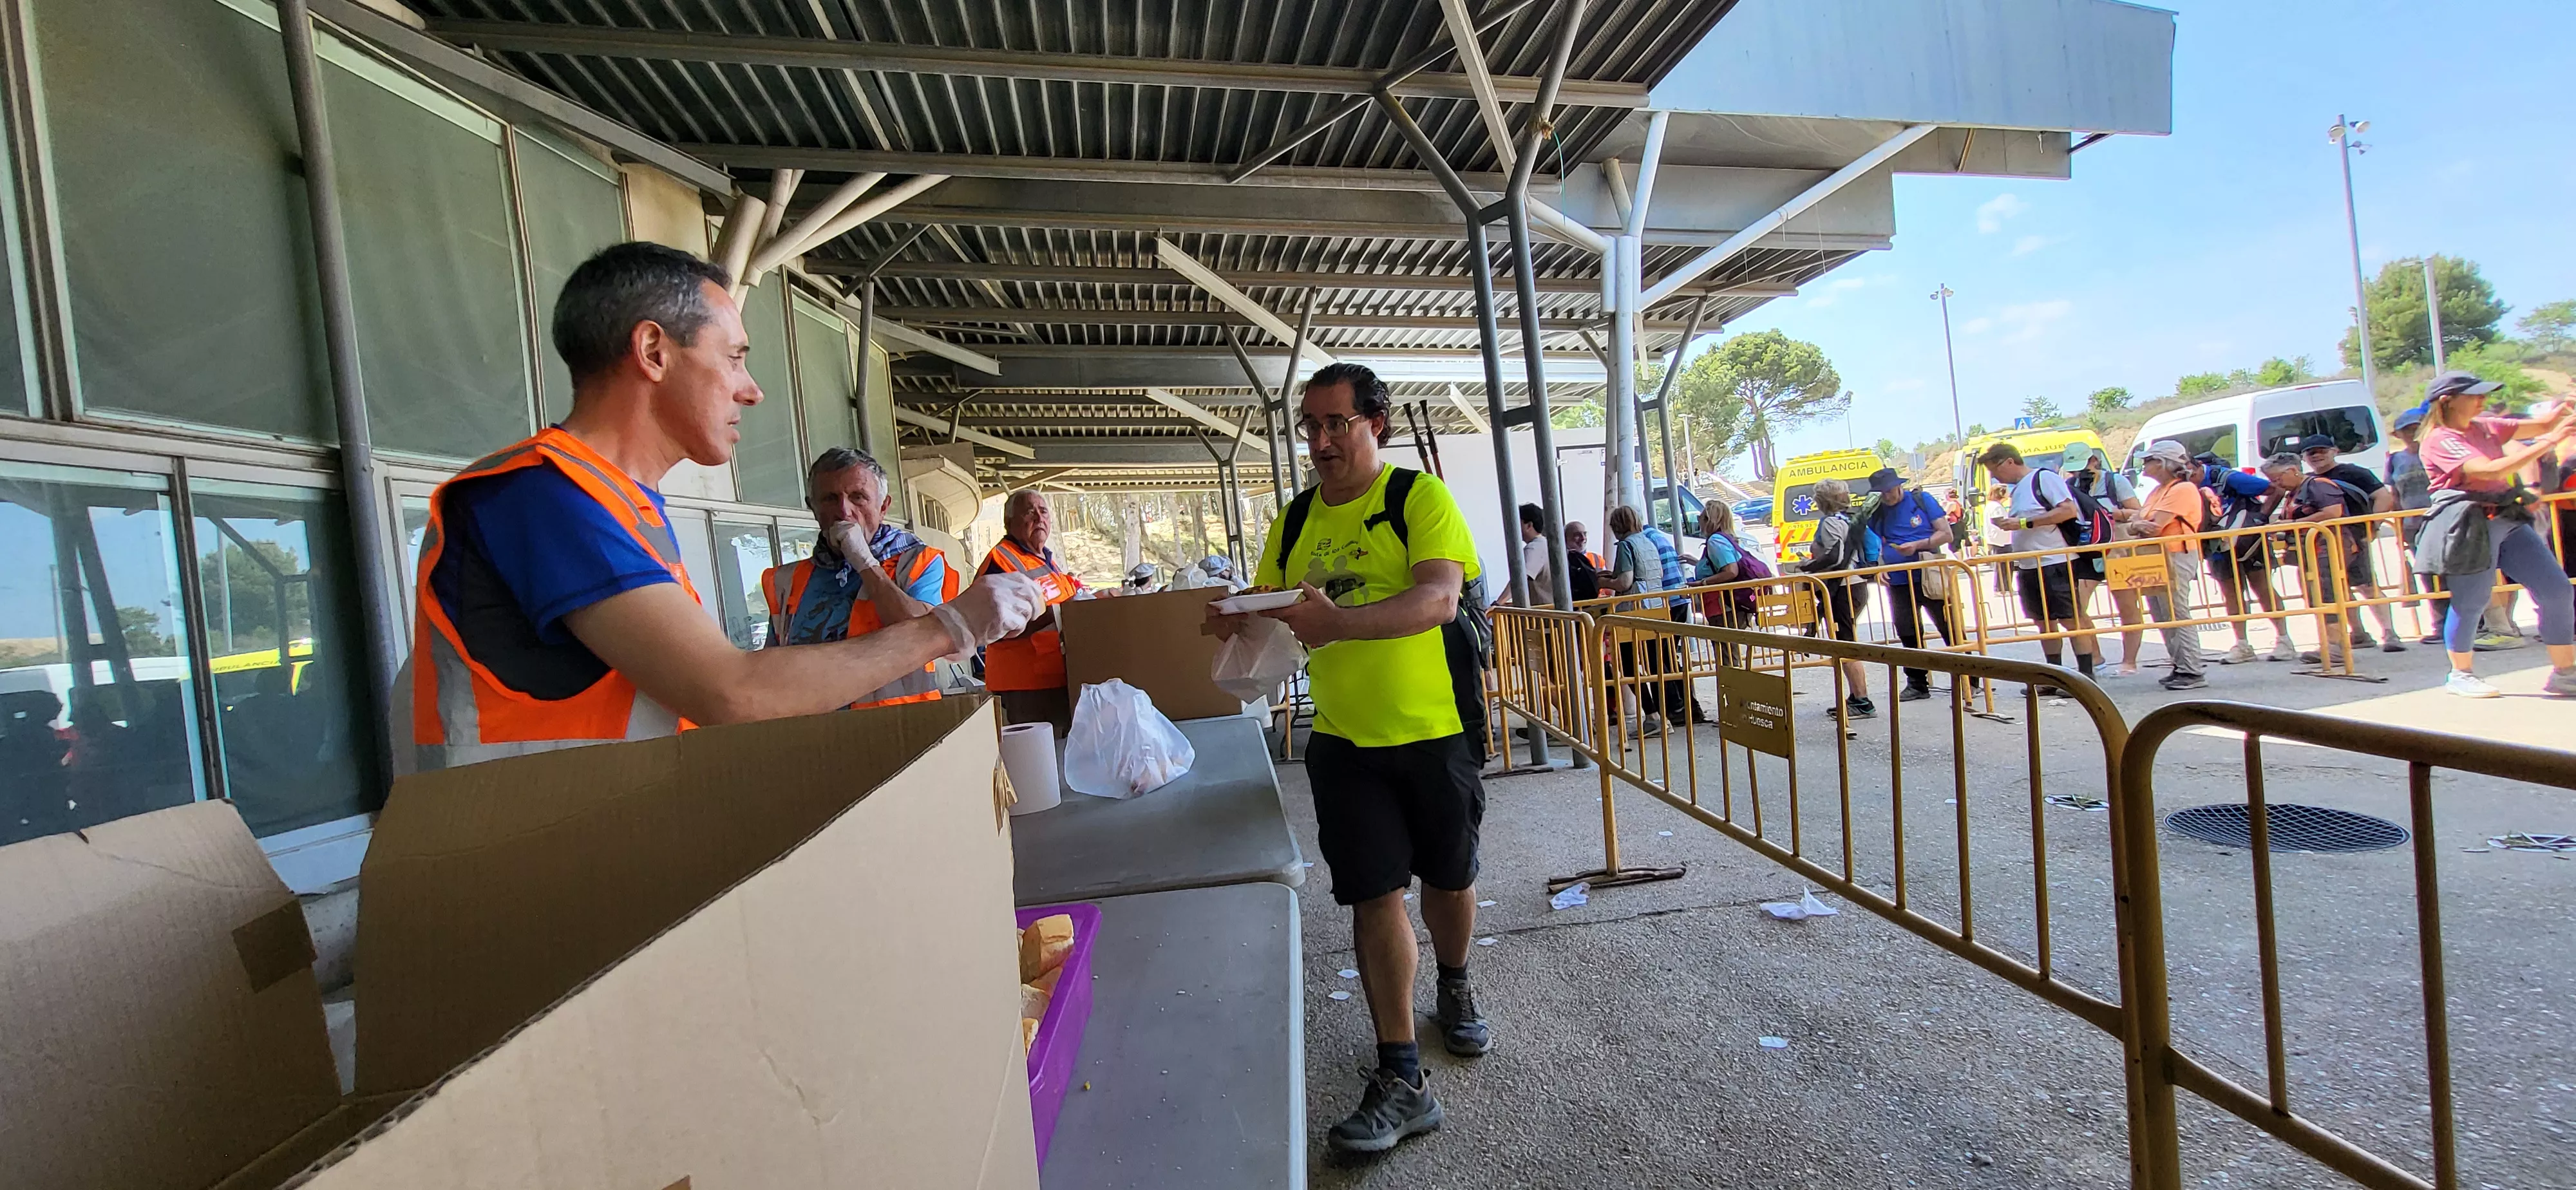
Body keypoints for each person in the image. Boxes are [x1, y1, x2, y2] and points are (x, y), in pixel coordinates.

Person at [403, 243, 1043, 773]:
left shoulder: (619, 507)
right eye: (733, 357)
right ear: (654, 352)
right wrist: (948, 628)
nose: (753, 389)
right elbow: (730, 692)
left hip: (590, 834)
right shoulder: (544, 496)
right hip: (523, 858)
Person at [1211, 361, 1489, 1152]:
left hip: (1435, 731)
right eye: (1312, 426)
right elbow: (1274, 610)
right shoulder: (1295, 520)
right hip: (1342, 742)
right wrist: (1236, 621)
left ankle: (1456, 984)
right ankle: (1401, 1074)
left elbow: (1437, 599)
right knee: (1374, 896)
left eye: (1338, 423)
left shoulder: (1416, 499)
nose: (1322, 440)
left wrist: (1340, 626)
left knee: (1450, 879)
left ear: (1377, 425)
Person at [2409, 372, 2576, 697]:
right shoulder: (2440, 438)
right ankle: (2461, 673)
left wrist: (2561, 413)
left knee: (2556, 589)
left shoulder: (2485, 426)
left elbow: (2541, 425)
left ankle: (2565, 672)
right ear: (2448, 401)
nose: (2482, 400)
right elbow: (2489, 469)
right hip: (2467, 522)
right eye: (2474, 395)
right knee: (2471, 600)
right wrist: (2549, 441)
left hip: (2505, 515)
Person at [761, 448, 957, 708]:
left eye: (858, 497)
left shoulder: (918, 562)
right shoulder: (786, 580)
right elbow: (771, 669)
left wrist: (863, 561)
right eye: (830, 499)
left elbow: (925, 636)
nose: (844, 511)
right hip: (813, 732)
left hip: (904, 729)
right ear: (813, 508)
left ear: (883, 507)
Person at [1980, 442, 2098, 689]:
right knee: (2044, 623)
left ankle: (2086, 677)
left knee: (2071, 620)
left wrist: (2024, 523)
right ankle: (2051, 678)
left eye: (1995, 470)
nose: (1995, 477)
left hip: (2054, 562)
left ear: (2009, 462)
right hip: (2029, 565)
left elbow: (2067, 511)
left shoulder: (2043, 479)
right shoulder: (2020, 489)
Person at [979, 490, 1091, 733]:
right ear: (1010, 523)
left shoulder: (1045, 561)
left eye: (1044, 511)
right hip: (1025, 687)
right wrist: (1060, 613)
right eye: (1030, 512)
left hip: (1056, 679)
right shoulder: (1001, 561)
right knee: (1037, 762)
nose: (1040, 518)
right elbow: (993, 627)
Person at [2298, 433, 2405, 651]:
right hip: (2325, 542)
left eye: (2322, 451)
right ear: (2304, 458)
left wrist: (2371, 527)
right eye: (2311, 453)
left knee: (2367, 585)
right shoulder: (2308, 481)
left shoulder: (2355, 473)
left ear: (2335, 452)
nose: (2317, 456)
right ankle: (2358, 633)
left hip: (2354, 537)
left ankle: (2390, 633)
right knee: (2339, 589)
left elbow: (2384, 497)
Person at [1864, 467, 1962, 701]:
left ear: (1899, 486)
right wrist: (1879, 567)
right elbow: (1876, 542)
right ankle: (1917, 682)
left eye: (1890, 490)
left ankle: (1967, 677)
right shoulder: (1877, 512)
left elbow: (1946, 534)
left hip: (1928, 573)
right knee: (1907, 629)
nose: (1888, 496)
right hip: (1899, 579)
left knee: (1948, 625)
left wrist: (1918, 545)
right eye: (1882, 492)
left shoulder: (1921, 500)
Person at [2119, 440, 2210, 690]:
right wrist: (2139, 524)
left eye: (2149, 461)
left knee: (2176, 613)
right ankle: (2181, 665)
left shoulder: (2182, 490)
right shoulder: (2160, 491)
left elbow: (2153, 526)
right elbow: (2139, 522)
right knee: (2163, 614)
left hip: (2175, 555)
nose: (2144, 465)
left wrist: (2138, 524)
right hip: (2157, 557)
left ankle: (2191, 669)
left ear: (2162, 463)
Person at [2195, 451, 2299, 664]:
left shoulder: (2227, 477)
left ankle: (2284, 640)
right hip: (2216, 542)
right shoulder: (2181, 485)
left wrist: (2261, 518)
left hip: (2248, 539)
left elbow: (2275, 489)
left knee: (2262, 586)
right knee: (2230, 592)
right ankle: (2242, 644)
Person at [2258, 451, 2359, 668]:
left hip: (2327, 546)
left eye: (2277, 479)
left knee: (2328, 593)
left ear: (2293, 471)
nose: (2276, 484)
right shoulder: (2293, 493)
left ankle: (2336, 646)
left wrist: (2296, 524)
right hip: (2310, 550)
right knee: (2316, 595)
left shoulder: (2318, 485)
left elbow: (2333, 511)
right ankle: (2329, 643)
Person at [1794, 478, 1874, 719]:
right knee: (1844, 641)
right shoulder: (1848, 519)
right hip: (1855, 585)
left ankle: (1862, 699)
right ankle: (1856, 695)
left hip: (1844, 587)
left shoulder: (1830, 523)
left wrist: (1810, 566)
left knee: (1845, 643)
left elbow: (1836, 557)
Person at [2067, 446, 2146, 675]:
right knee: (2076, 607)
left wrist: (2112, 513)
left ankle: (2129, 661)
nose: (2080, 473)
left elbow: (2137, 512)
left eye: (2083, 467)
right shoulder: (2070, 486)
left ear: (2094, 461)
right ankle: (2095, 657)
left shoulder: (2115, 482)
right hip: (2087, 552)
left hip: (2118, 549)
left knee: (2128, 606)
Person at [1603, 504, 1672, 736]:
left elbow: (1624, 582)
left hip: (1633, 611)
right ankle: (1665, 717)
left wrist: (1603, 582)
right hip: (1656, 608)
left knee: (1627, 664)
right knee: (1656, 665)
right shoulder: (1649, 542)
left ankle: (1652, 716)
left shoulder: (1626, 545)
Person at [2385, 405, 2447, 645]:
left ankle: (2473, 623)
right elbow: (2396, 494)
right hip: (2414, 525)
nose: (2412, 434)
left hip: (2446, 519)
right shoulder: (2396, 459)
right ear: (2398, 435)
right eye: (2406, 430)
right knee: (2429, 575)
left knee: (2456, 572)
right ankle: (2441, 625)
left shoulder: (2438, 452)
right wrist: (2399, 524)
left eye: (2416, 429)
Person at [1641, 511, 1710, 724]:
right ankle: (1690, 707)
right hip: (1678, 598)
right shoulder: (1655, 535)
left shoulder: (1641, 541)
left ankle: (1676, 708)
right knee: (1670, 657)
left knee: (1658, 659)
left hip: (1666, 603)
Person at [1981, 484, 2015, 596]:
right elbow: (1999, 522)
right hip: (2000, 540)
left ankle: (2005, 587)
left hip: (2000, 539)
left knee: (2005, 566)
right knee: (2003, 566)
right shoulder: (1995, 507)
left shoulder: (1993, 505)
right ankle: (2001, 588)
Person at [1515, 502, 1551, 598]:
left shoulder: (1534, 548)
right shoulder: (1546, 544)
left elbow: (1520, 579)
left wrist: (1498, 603)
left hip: (1544, 611)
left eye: (1517, 523)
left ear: (1529, 526)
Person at [1564, 522, 1604, 602]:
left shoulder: (1597, 558)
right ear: (1565, 538)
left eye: (1585, 534)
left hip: (1598, 605)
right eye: (1577, 535)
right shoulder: (1562, 560)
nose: (1583, 538)